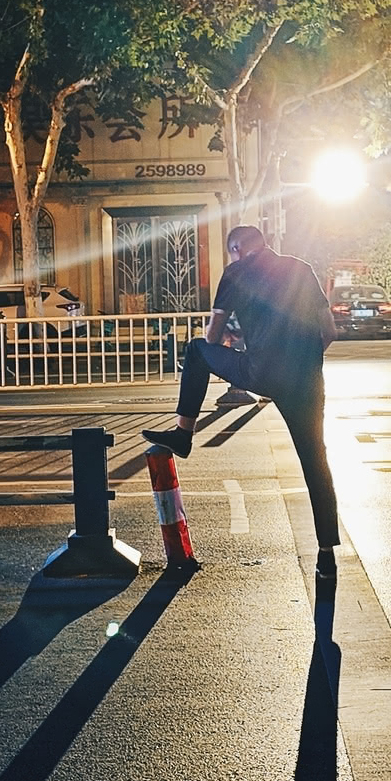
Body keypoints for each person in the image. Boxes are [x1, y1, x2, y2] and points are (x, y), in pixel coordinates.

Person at [142, 225, 340, 575]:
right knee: (315, 460)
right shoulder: (301, 268)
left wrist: (236, 350)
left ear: (235, 249)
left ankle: (183, 434)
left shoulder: (235, 273)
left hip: (260, 371)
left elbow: (212, 336)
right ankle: (326, 552)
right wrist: (302, 361)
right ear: (264, 244)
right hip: (307, 379)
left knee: (197, 352)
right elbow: (329, 331)